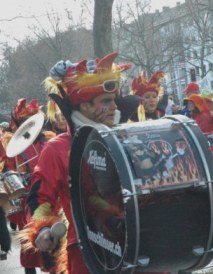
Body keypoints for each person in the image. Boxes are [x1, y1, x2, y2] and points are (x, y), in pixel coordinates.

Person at [20, 52, 131, 274]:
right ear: (85, 106)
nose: (114, 108)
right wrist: (42, 229)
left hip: (136, 247)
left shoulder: (128, 136)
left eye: (114, 101)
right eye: (106, 101)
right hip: (88, 254)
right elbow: (40, 199)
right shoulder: (57, 148)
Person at [2, 98, 56, 274]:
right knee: (28, 247)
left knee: (55, 240)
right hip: (26, 200)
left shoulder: (49, 142)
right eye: (25, 121)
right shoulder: (12, 146)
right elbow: (9, 172)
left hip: (50, 196)